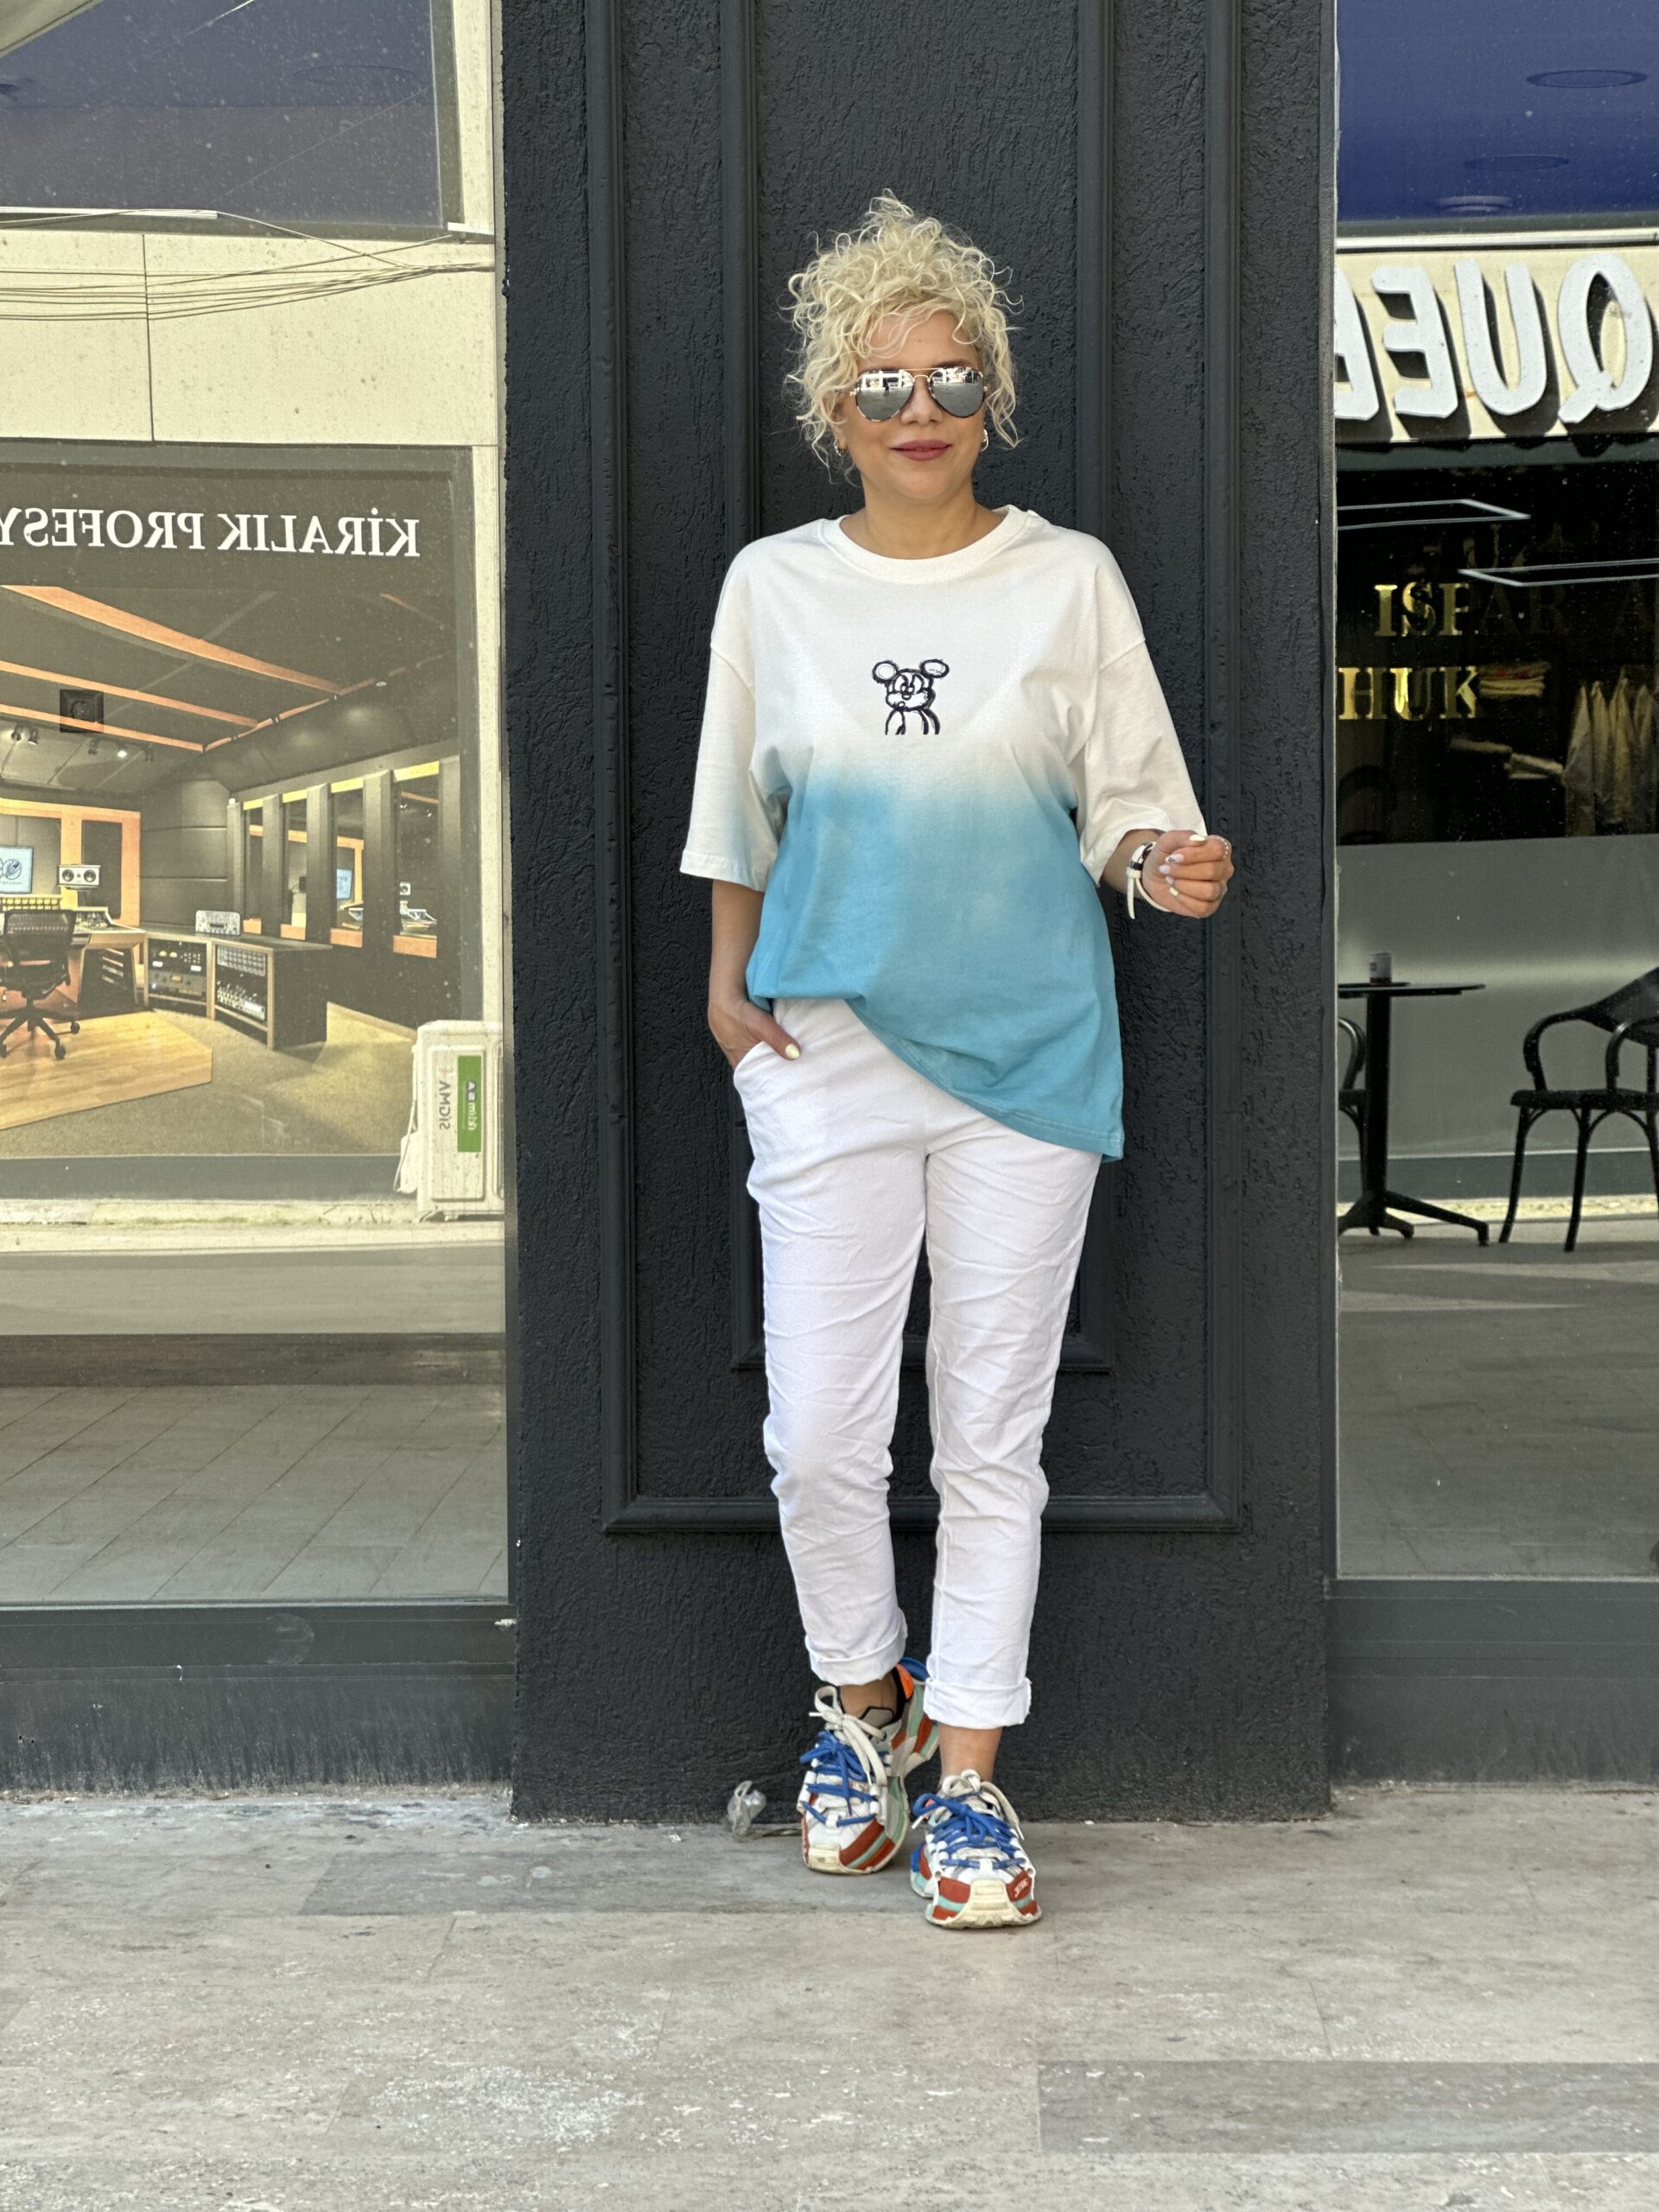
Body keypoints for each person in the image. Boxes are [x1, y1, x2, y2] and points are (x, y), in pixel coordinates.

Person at [679, 190, 1234, 1929]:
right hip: (827, 1045)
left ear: (992, 397)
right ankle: (868, 1709)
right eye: (880, 384)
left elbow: (1130, 808)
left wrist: (1162, 867)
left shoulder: (1068, 581)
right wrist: (728, 991)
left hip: (1027, 1056)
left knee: (992, 1437)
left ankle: (973, 1780)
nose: (916, 409)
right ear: (830, 412)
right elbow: (735, 810)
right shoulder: (774, 587)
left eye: (950, 377)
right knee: (819, 1438)